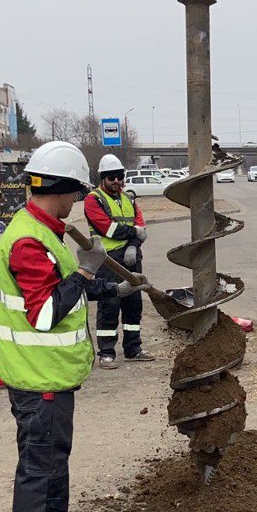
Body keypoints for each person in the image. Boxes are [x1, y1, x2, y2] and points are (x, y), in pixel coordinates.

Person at [0, 141, 149, 512]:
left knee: (45, 466)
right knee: (42, 471)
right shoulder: (28, 239)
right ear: (59, 189)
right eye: (75, 193)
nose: (78, 201)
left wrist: (109, 287)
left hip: (46, 378)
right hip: (39, 380)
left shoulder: (44, 231)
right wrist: (82, 274)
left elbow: (63, 287)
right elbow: (44, 313)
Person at [84, 154, 154, 369]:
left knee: (133, 305)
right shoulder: (93, 200)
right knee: (109, 305)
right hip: (108, 260)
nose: (116, 181)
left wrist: (134, 245)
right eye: (111, 177)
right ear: (102, 178)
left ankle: (133, 349)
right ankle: (106, 352)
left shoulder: (129, 198)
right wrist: (134, 234)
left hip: (132, 258)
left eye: (119, 176)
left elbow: (141, 227)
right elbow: (108, 229)